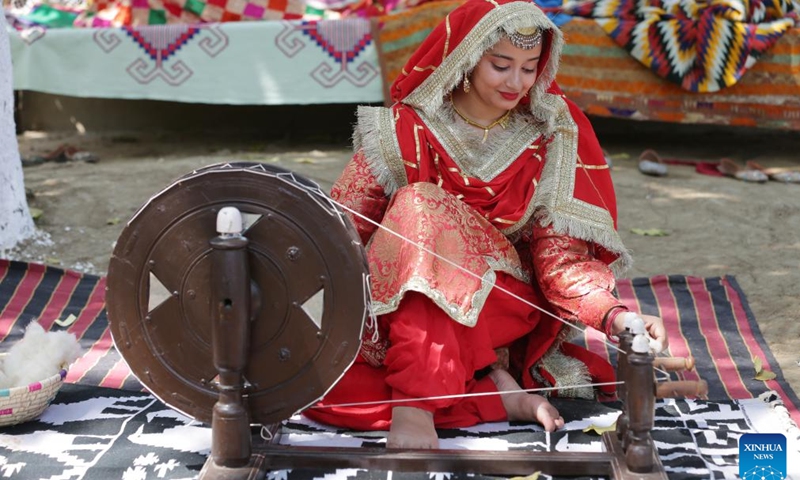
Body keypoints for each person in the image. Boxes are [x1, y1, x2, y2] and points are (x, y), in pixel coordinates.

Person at [303, 0, 668, 449]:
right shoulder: (405, 128)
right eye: (501, 65)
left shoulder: (550, 133)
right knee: (316, 387)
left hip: (497, 303)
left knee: (421, 203)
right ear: (468, 58)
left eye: (530, 68)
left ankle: (415, 407)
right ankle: (492, 394)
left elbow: (562, 261)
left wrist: (615, 315)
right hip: (399, 301)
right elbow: (342, 228)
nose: (517, 82)